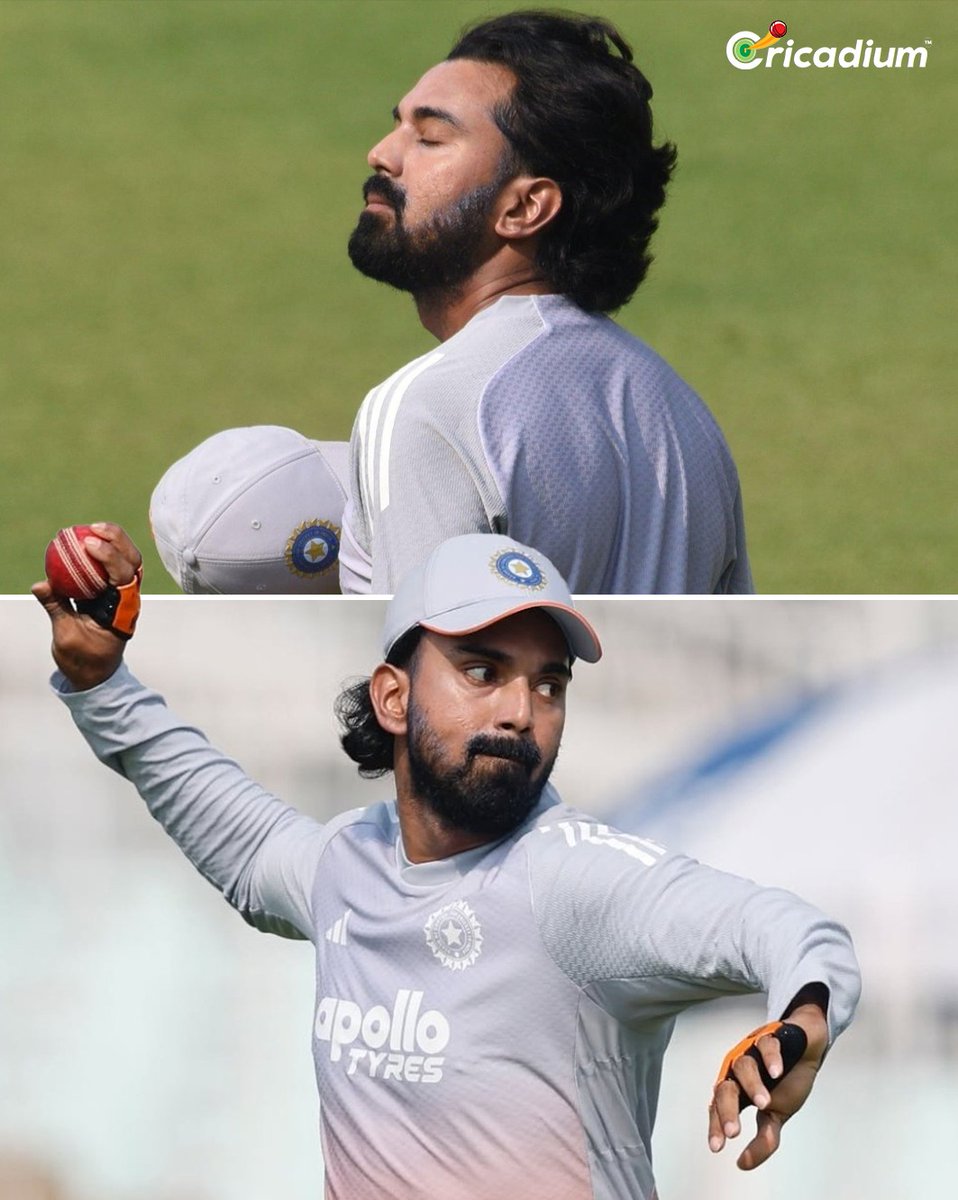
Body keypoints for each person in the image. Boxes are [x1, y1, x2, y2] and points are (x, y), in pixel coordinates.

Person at [34, 526, 857, 1200]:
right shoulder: (344, 867)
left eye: (549, 684)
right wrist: (100, 681)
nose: (519, 711)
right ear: (393, 696)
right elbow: (244, 841)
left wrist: (804, 1019)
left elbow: (780, 925)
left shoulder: (575, 881)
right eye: (481, 671)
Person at [340, 9, 753, 595]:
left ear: (524, 208)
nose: (382, 154)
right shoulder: (687, 420)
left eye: (430, 137)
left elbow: (426, 655)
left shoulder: (430, 407)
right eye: (399, 126)